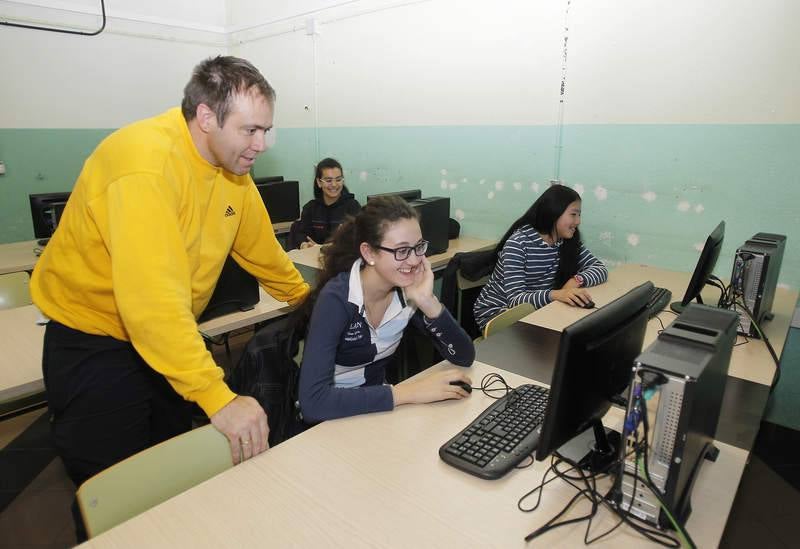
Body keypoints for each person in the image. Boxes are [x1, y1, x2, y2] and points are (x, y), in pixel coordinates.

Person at [30, 56, 310, 531]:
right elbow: (151, 306)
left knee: (173, 475)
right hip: (95, 342)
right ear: (205, 116)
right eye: (250, 130)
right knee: (116, 493)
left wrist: (313, 307)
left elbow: (265, 255)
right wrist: (220, 399)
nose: (261, 145)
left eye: (267, 130)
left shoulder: (232, 172)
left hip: (167, 338)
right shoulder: (144, 165)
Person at [298, 196, 475, 423]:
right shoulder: (337, 299)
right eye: (401, 251)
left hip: (378, 409)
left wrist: (428, 301)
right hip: (331, 418)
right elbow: (313, 403)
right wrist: (407, 392)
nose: (413, 261)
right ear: (370, 253)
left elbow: (464, 356)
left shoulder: (406, 291)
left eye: (418, 247)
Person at [473, 184, 608, 332]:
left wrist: (575, 281)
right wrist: (557, 294)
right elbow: (516, 300)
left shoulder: (567, 241)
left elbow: (599, 269)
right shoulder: (518, 244)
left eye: (579, 215)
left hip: (535, 310)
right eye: (573, 214)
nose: (578, 221)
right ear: (554, 212)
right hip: (498, 315)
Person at [291, 157, 361, 249]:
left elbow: (359, 237)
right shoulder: (310, 208)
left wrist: (324, 246)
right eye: (328, 181)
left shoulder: (352, 207)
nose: (334, 184)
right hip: (313, 257)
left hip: (342, 257)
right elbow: (300, 233)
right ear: (319, 182)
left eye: (338, 179)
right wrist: (304, 245)